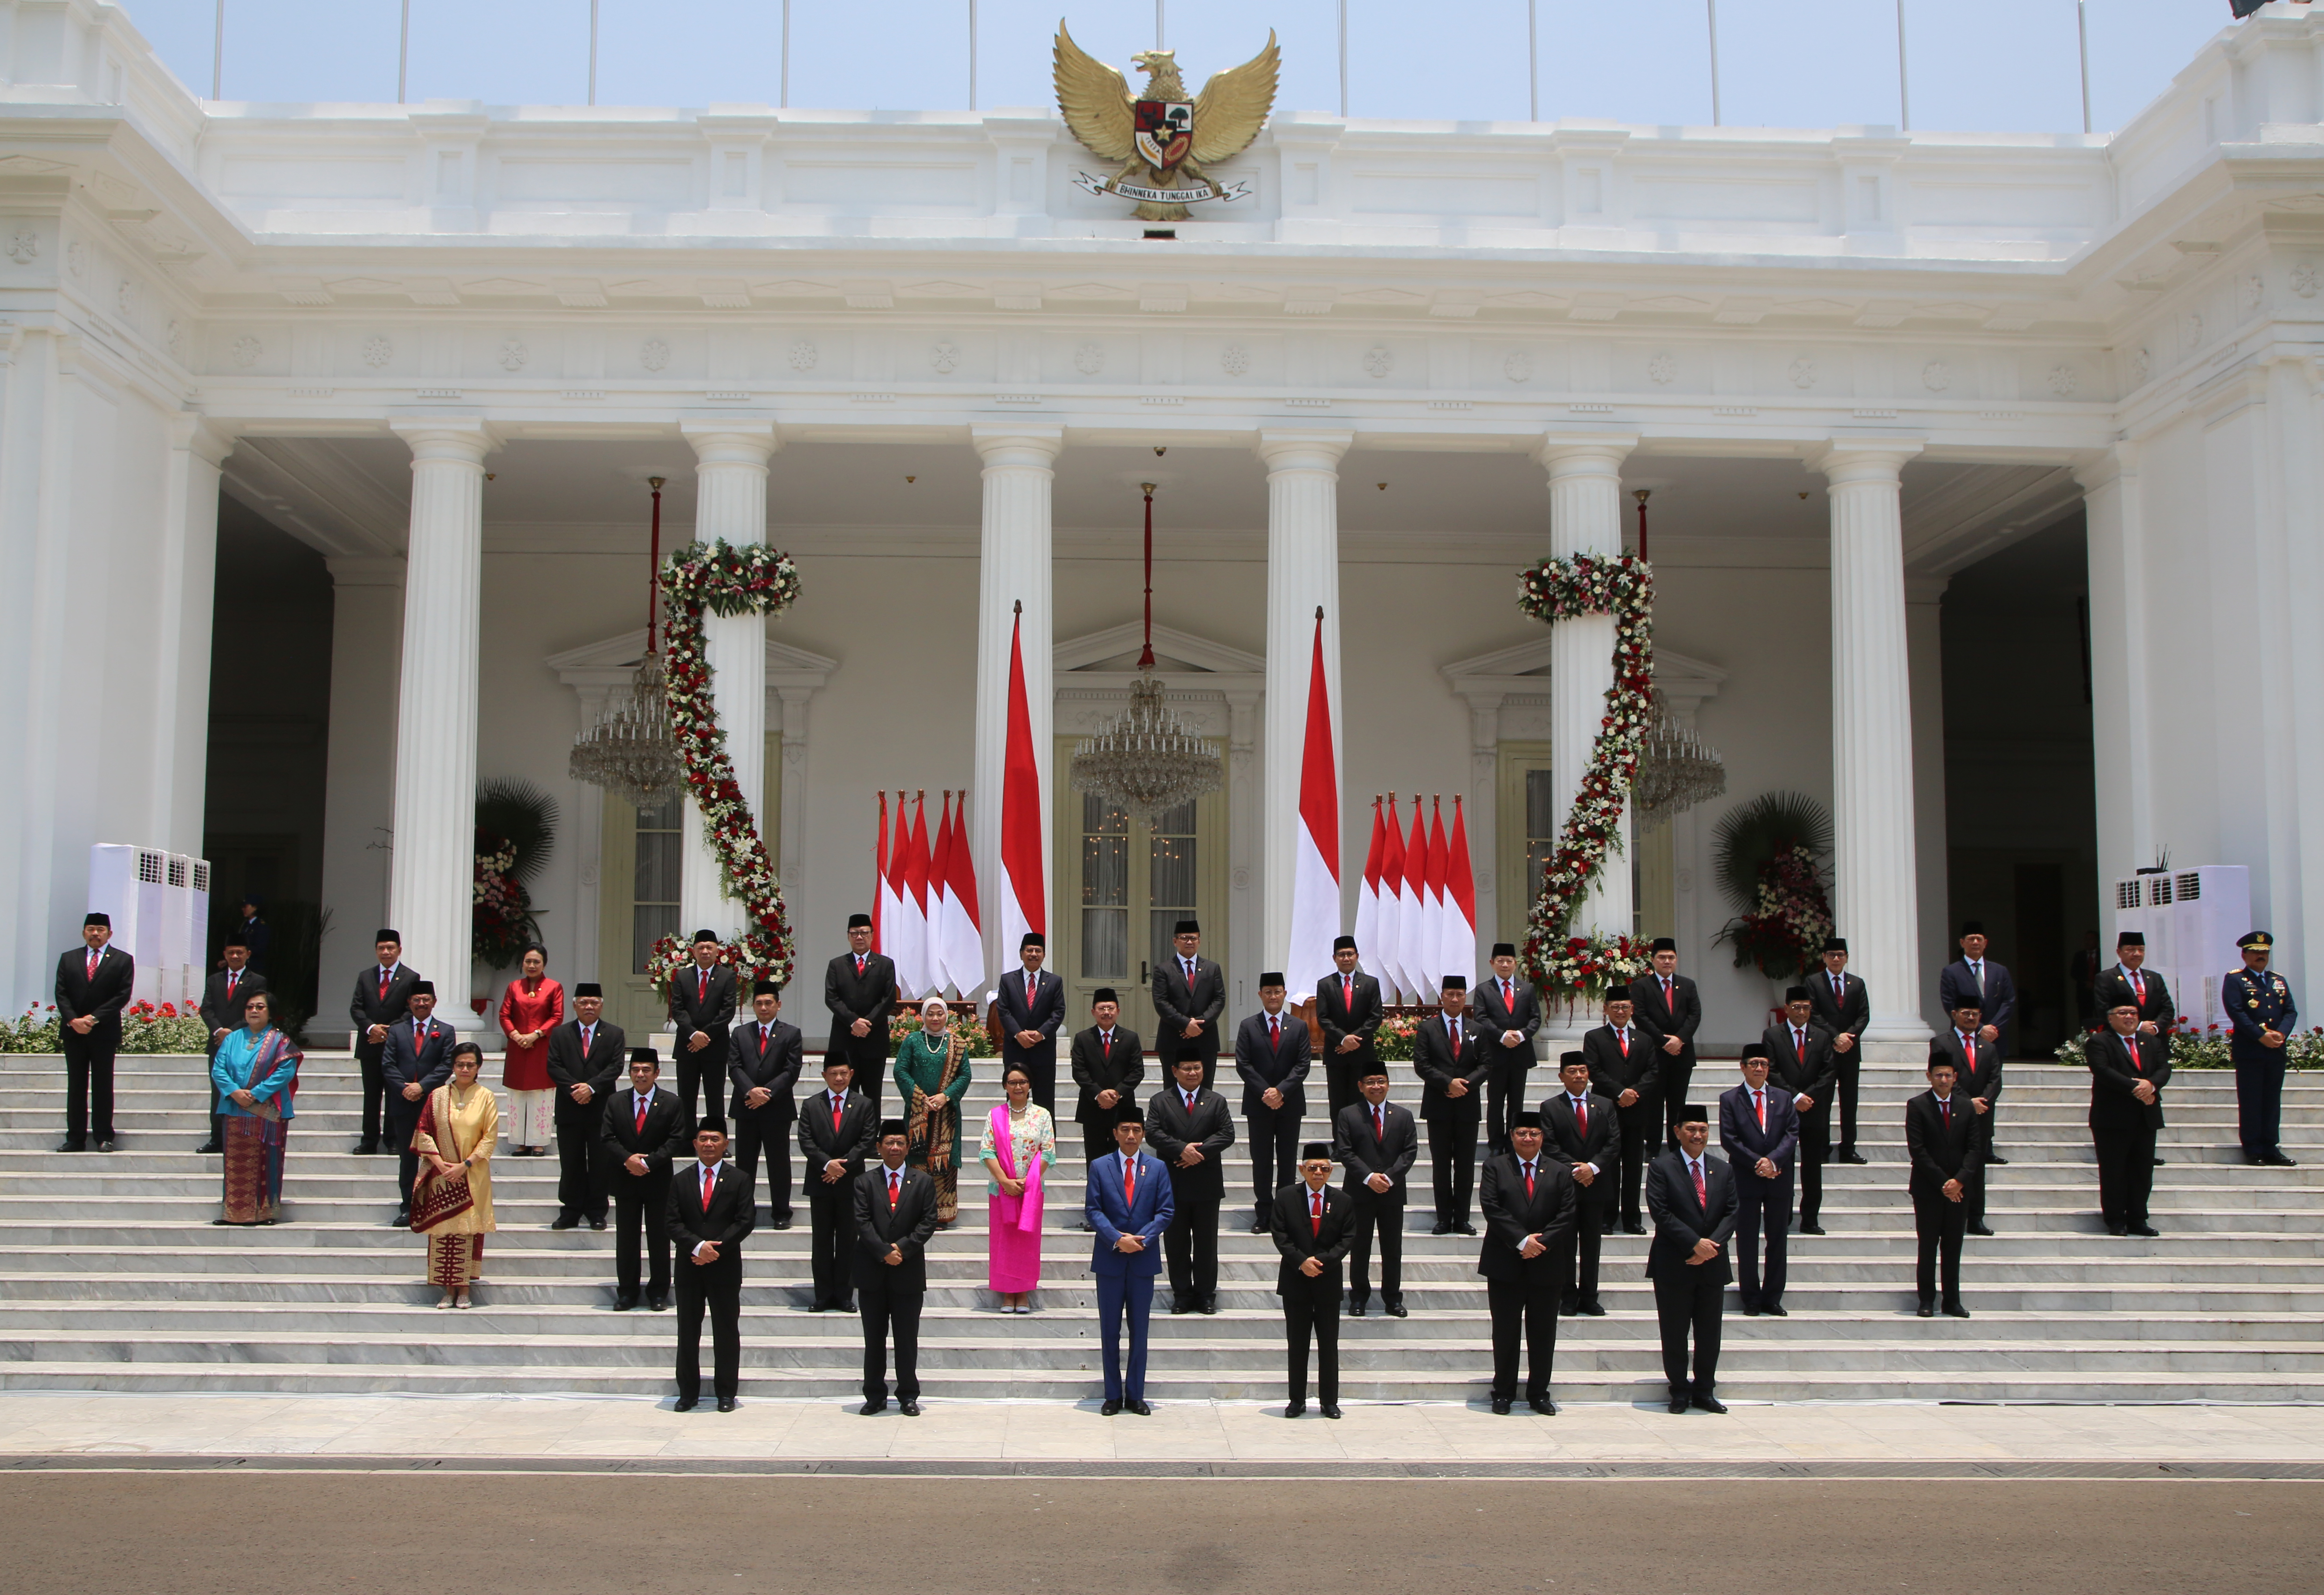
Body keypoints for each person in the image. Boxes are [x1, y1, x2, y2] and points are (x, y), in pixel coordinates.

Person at [1478, 1110, 1577, 1415]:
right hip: (1505, 1261)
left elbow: (1567, 1213)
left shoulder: (1559, 1170)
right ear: (1512, 1136)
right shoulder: (1496, 1166)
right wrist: (1522, 1241)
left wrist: (1540, 1243)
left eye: (1534, 1133)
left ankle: (1539, 1393)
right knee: (1505, 1332)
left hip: (1546, 1265)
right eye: (1522, 1133)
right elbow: (1491, 1206)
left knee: (1543, 1333)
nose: (1528, 1138)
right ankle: (1503, 1391)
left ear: (1542, 1137)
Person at [1645, 1103, 1737, 1414]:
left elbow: (1732, 1211)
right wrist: (1693, 1244)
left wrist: (1711, 1246)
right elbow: (1661, 1212)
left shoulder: (1722, 1168)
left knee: (1709, 1332)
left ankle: (1705, 1390)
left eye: (1702, 1129)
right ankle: (1679, 1391)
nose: (1697, 1135)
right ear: (1677, 1131)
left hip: (1713, 1261)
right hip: (1674, 1262)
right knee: (1674, 1330)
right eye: (1691, 1129)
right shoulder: (1661, 1166)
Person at [1086, 1105, 1173, 1415]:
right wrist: (1117, 1238)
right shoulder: (1100, 1166)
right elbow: (1093, 1210)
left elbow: (1165, 1211)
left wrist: (1141, 1240)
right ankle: (1112, 1395)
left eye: (1136, 1129)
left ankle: (1135, 1394)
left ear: (1144, 1134)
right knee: (1110, 1330)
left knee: (1140, 1329)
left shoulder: (1157, 1168)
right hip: (1110, 1260)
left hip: (1142, 1259)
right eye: (1125, 1129)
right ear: (1115, 1133)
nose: (1131, 1135)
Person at [854, 1119, 940, 1416]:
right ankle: (875, 1395)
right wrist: (883, 1252)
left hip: (908, 1271)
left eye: (900, 1143)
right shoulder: (864, 1182)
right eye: (889, 1143)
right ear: (878, 1147)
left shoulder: (923, 1181)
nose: (894, 1148)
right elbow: (861, 1222)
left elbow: (928, 1221)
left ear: (907, 1147)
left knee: (906, 1337)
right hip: (872, 1272)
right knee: (874, 1338)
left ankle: (908, 1395)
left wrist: (902, 1249)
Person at [667, 1116, 753, 1412]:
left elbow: (745, 1221)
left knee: (726, 1331)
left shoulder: (740, 1179)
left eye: (714, 1139)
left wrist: (716, 1248)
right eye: (703, 1139)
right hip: (689, 1264)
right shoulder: (681, 1180)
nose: (708, 1144)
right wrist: (698, 1246)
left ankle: (726, 1393)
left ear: (725, 1144)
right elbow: (671, 1222)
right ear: (694, 1144)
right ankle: (688, 1393)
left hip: (725, 1265)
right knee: (688, 1330)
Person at [409, 1041, 500, 1309]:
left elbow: (489, 1138)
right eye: (460, 1064)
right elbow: (423, 1132)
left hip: (473, 1174)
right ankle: (447, 1291)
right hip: (441, 1176)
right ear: (453, 1066)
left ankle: (464, 1291)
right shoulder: (437, 1096)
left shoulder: (486, 1097)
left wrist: (465, 1166)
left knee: (467, 1233)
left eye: (470, 1064)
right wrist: (440, 1165)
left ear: (479, 1067)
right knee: (443, 1232)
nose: (465, 1069)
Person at [1146, 1054, 1235, 1315]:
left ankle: (1206, 1295)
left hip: (1206, 1183)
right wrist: (1181, 1150)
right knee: (1177, 1243)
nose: (1193, 1072)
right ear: (1175, 1071)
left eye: (1197, 1067)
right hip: (1172, 1182)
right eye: (1187, 1068)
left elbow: (1227, 1133)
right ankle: (1182, 1295)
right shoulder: (1161, 1101)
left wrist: (1199, 1153)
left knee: (1207, 1244)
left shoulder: (1216, 1100)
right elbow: (1153, 1132)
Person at [600, 1048, 687, 1312]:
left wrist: (648, 1162)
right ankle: (627, 1292)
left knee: (659, 1239)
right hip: (625, 1179)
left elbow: (676, 1140)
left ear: (657, 1073)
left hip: (657, 1181)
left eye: (646, 1070)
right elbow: (607, 1137)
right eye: (636, 1070)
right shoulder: (616, 1102)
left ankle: (659, 1291)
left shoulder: (672, 1102)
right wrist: (628, 1160)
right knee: (626, 1239)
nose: (640, 1075)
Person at [1272, 1142, 1353, 1419]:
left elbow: (1347, 1239)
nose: (1318, 1173)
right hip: (1296, 1280)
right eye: (1313, 1168)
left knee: (1329, 1344)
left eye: (1324, 1168)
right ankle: (1297, 1400)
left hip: (1328, 1281)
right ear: (1302, 1169)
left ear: (1331, 1171)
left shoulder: (1343, 1201)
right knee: (1298, 1343)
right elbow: (1280, 1235)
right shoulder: (1285, 1197)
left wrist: (1323, 1263)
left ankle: (1329, 1401)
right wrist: (1301, 1262)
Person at [1719, 1045, 1799, 1317]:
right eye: (1753, 1063)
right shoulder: (1730, 1099)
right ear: (1742, 1067)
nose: (1759, 1069)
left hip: (1779, 1177)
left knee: (1778, 1238)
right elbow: (1730, 1139)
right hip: (1746, 1177)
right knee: (1747, 1240)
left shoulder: (1784, 1098)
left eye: (1764, 1064)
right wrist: (1758, 1163)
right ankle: (1751, 1297)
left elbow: (1791, 1134)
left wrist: (1773, 1162)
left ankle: (1773, 1297)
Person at [210, 990, 300, 1226]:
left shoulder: (281, 1041)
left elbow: (285, 1072)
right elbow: (219, 1069)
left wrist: (256, 1094)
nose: (254, 1011)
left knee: (266, 1161)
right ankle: (234, 1213)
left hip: (267, 1110)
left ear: (270, 1013)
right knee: (235, 1162)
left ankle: (266, 1213)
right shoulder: (232, 1039)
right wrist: (236, 1093)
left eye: (260, 1007)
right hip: (235, 1108)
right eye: (250, 1007)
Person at [1334, 1064, 1417, 1318]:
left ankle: (1393, 1298)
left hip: (1392, 1193)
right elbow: (1345, 1151)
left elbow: (1409, 1152)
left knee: (1392, 1248)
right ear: (1361, 1086)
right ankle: (1358, 1297)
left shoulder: (1403, 1116)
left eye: (1381, 1081)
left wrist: (1389, 1178)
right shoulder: (1348, 1114)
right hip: (1360, 1192)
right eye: (1370, 1082)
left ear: (1388, 1084)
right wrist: (1369, 1177)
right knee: (1360, 1247)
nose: (1376, 1086)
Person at [798, 1056, 879, 1312]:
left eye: (843, 1073)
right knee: (821, 1241)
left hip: (851, 1182)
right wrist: (827, 1165)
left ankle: (845, 1295)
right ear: (824, 1075)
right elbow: (806, 1140)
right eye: (833, 1073)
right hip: (820, 1181)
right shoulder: (811, 1105)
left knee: (848, 1240)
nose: (839, 1078)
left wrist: (842, 1167)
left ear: (851, 1073)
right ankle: (822, 1295)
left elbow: (867, 1141)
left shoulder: (864, 1104)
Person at [1538, 1052, 1616, 1316]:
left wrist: (1592, 1167)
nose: (1579, 1076)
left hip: (1596, 1184)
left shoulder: (1605, 1105)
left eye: (1583, 1070)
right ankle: (1568, 1296)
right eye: (1572, 1071)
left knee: (1592, 1245)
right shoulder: (1551, 1107)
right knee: (1566, 1244)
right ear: (1562, 1076)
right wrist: (1577, 1169)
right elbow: (1549, 1145)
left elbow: (1613, 1142)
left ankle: (1590, 1297)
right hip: (1566, 1186)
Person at [1232, 972, 1310, 1234]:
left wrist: (1281, 1092)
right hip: (1259, 1103)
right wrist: (1267, 1092)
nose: (1273, 996)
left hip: (1290, 1104)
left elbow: (1303, 1066)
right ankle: (1263, 1213)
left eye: (1278, 991)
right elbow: (1243, 1064)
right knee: (1262, 1160)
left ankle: (1285, 1215)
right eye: (1268, 992)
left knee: (1288, 1160)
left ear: (1285, 994)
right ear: (1260, 995)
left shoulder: (1299, 1026)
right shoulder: (1248, 1026)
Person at [2086, 1000, 2171, 1237]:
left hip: (2146, 1115)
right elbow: (2103, 1071)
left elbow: (2164, 1068)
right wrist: (2138, 1089)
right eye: (2122, 1013)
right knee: (2115, 1170)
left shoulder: (2151, 1042)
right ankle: (2115, 1219)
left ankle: (2138, 1218)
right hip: (2112, 1117)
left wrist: (2151, 1085)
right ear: (2110, 1018)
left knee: (2142, 1171)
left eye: (2133, 1013)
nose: (2129, 1017)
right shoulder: (2100, 1042)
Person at [545, 982, 624, 1231]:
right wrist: (576, 1090)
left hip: (600, 1108)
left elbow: (615, 1067)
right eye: (584, 1003)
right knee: (571, 1162)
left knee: (601, 1162)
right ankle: (570, 1210)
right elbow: (554, 1066)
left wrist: (590, 1088)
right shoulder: (560, 1033)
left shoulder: (614, 1034)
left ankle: (597, 1211)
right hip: (570, 1108)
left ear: (601, 1006)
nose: (589, 1007)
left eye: (594, 1003)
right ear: (575, 1005)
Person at [1906, 1059, 1981, 1318]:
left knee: (1953, 1245)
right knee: (1928, 1245)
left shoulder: (1966, 1106)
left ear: (1955, 1077)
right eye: (1939, 1075)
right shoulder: (1917, 1106)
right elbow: (1918, 1149)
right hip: (1929, 1189)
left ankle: (1952, 1301)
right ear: (1929, 1076)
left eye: (1948, 1075)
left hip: (1959, 1190)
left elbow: (1974, 1148)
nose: (1944, 1080)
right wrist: (1943, 1182)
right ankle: (1927, 1300)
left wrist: (1959, 1180)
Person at [727, 979, 803, 1229]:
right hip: (747, 1107)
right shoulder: (740, 1033)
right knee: (744, 1165)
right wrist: (751, 1091)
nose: (763, 1007)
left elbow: (792, 1070)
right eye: (758, 1003)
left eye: (768, 1003)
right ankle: (743, 1213)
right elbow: (735, 1067)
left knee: (778, 1163)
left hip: (777, 1109)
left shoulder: (791, 1033)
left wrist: (766, 1094)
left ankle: (781, 1212)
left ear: (778, 1005)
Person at [1415, 975, 1488, 1236]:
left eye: (1460, 994)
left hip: (1467, 1107)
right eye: (1450, 994)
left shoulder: (1477, 1029)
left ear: (1465, 997)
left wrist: (1465, 1084)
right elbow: (1421, 1065)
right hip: (1439, 1106)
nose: (1455, 999)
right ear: (1442, 997)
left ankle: (1463, 1218)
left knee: (1466, 1165)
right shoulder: (1428, 1029)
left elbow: (1487, 1064)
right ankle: (1444, 1218)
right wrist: (1448, 1083)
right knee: (1442, 1165)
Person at [980, 1064, 1056, 1313]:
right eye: (1013, 1082)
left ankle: (1022, 1293)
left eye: (1022, 1081)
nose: (1018, 1087)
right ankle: (1006, 1294)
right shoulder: (995, 1116)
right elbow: (987, 1151)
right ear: (1005, 1086)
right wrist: (1005, 1182)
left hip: (1031, 1189)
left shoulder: (1042, 1115)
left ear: (1030, 1085)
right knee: (1004, 1240)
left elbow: (1048, 1151)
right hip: (1001, 1189)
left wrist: (1027, 1182)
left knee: (1026, 1241)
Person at [55, 912, 132, 1153]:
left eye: (100, 929)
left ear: (109, 933)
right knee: (76, 1085)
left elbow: (122, 995)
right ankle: (75, 1138)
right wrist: (73, 1020)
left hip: (104, 1031)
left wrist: (93, 1018)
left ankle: (104, 1136)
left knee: (102, 1084)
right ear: (84, 933)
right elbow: (61, 993)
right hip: (74, 1031)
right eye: (90, 929)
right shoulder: (69, 959)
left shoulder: (122, 960)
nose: (95, 933)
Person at [1763, 987, 1838, 1236]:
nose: (1802, 1012)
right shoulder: (1773, 1036)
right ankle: (1782, 1214)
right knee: (1783, 1162)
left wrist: (1809, 1097)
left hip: (1814, 1111)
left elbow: (1829, 1072)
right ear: (1786, 1009)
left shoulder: (1822, 1036)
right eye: (1796, 1007)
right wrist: (1795, 1096)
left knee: (1812, 1166)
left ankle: (1810, 1219)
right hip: (1784, 1109)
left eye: (1806, 1007)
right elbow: (1771, 1071)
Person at [1583, 993, 1659, 1234]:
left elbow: (1652, 1072)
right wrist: (1619, 1093)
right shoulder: (1594, 1038)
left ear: (1632, 1009)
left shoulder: (1644, 1040)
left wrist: (1633, 1093)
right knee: (1608, 1164)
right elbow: (1593, 1070)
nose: (1620, 1011)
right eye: (1615, 1007)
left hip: (1636, 1110)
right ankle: (1608, 1217)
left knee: (1634, 1166)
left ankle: (1631, 1218)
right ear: (1606, 1009)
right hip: (1607, 1109)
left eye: (1625, 1007)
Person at [380, 980, 454, 1226]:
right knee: (408, 1156)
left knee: (435, 1155)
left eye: (426, 999)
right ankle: (408, 1205)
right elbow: (388, 1065)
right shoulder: (397, 1031)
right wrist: (405, 1089)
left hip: (431, 1101)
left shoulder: (445, 1031)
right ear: (409, 1003)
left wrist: (422, 1087)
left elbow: (445, 1065)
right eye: (416, 1000)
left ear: (434, 1001)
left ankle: (435, 1204)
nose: (421, 1004)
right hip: (403, 1103)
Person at [894, 995, 972, 1224]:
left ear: (946, 1016)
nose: (935, 1018)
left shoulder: (957, 1043)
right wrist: (919, 1097)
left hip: (946, 1115)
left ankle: (942, 1214)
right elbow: (900, 1071)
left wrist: (945, 1096)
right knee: (917, 1159)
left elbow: (965, 1075)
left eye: (940, 1014)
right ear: (924, 1016)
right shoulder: (912, 1040)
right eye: (931, 1013)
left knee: (944, 1163)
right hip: (918, 1113)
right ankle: (917, 1213)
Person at [2225, 931, 2298, 1166]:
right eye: (2256, 953)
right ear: (2244, 955)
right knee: (2251, 1099)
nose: (2261, 957)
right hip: (2251, 1050)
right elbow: (2236, 1012)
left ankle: (2270, 1146)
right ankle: (2253, 1147)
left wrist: (2281, 1034)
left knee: (2271, 1100)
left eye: (2264, 953)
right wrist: (2261, 1036)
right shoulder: (2235, 979)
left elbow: (2290, 1011)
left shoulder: (2278, 980)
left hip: (2275, 1050)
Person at [1930, 1000, 2001, 1235]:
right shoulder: (1941, 1043)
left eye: (1975, 1014)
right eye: (1966, 1014)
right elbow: (1944, 1078)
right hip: (1951, 1114)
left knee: (1976, 1169)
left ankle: (1976, 1218)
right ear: (1954, 1015)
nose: (1971, 1018)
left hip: (1981, 1116)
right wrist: (1967, 1103)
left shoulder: (1988, 1047)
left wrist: (1983, 1101)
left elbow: (1995, 1080)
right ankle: (1949, 1216)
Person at [349, 930, 422, 1156]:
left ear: (399, 950)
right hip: (369, 1044)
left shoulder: (411, 978)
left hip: (396, 1046)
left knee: (394, 1094)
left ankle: (393, 1140)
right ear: (376, 951)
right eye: (381, 948)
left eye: (391, 948)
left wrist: (387, 1031)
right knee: (371, 1096)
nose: (386, 952)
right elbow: (356, 1008)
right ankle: (369, 1140)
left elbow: (411, 1010)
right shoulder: (365, 976)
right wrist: (372, 1028)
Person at [195, 934, 268, 1153]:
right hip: (219, 1044)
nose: (235, 956)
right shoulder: (214, 980)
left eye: (239, 952)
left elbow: (256, 1009)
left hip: (245, 1043)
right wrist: (219, 1031)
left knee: (245, 1090)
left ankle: (243, 1139)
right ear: (225, 955)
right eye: (231, 953)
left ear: (248, 954)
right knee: (219, 1091)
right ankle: (217, 1138)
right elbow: (206, 1009)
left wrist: (232, 1032)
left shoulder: (257, 981)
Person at [1629, 938, 1700, 1146]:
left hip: (1683, 1053)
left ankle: (1676, 1146)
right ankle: (1652, 1146)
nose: (1667, 961)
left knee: (1678, 1103)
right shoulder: (1641, 986)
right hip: (1654, 1053)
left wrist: (1680, 1040)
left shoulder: (1688, 985)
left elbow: (1695, 1015)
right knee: (1654, 1102)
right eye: (1662, 957)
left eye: (1671, 957)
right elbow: (1640, 1017)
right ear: (1653, 960)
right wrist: (1663, 1042)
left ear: (1676, 960)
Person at [825, 914, 898, 1116]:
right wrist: (853, 1022)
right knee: (845, 1093)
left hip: (874, 1039)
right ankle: (847, 1138)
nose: (859, 937)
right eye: (855, 933)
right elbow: (831, 998)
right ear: (848, 936)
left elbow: (889, 999)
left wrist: (867, 1024)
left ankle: (871, 1140)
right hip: (844, 1039)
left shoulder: (885, 964)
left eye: (864, 933)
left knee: (873, 1093)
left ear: (872, 936)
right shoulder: (837, 965)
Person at [1069, 988, 1144, 1180]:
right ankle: (1096, 1202)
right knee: (1095, 1159)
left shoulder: (1131, 1038)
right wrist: (1098, 1094)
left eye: (1111, 1008)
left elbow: (1137, 1072)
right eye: (1102, 1008)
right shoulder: (1083, 1038)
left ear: (1118, 1011)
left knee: (1122, 1158)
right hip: (1092, 1108)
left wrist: (1117, 1094)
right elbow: (1079, 1072)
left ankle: (1121, 1200)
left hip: (1123, 1109)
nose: (1106, 1013)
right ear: (1093, 1012)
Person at [1807, 937, 1871, 1164]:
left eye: (1840, 955)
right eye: (1832, 955)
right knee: (1823, 1100)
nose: (1836, 959)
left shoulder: (1857, 983)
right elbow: (1813, 1014)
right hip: (1825, 1050)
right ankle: (1822, 1148)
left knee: (1849, 1101)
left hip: (1850, 1051)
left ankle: (1848, 1148)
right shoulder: (1814, 982)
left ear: (1847, 958)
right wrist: (1835, 1036)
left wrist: (1849, 1037)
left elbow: (1864, 1015)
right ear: (1824, 957)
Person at [496, 944, 563, 1156]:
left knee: (541, 1095)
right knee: (517, 1094)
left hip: (541, 1046)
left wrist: (536, 1034)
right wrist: (515, 1035)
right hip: (517, 1048)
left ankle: (538, 1142)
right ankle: (520, 1142)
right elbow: (504, 1015)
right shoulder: (514, 987)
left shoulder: (554, 987)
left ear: (544, 964)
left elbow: (557, 1016)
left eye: (536, 962)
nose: (532, 965)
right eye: (528, 961)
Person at [1475, 943, 1542, 1154]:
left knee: (1517, 1102)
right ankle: (1495, 1144)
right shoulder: (1484, 990)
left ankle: (1513, 1142)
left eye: (1509, 961)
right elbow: (1481, 1018)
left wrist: (1521, 1036)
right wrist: (1502, 1036)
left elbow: (1535, 1018)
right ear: (1492, 963)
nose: (1505, 965)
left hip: (1520, 1054)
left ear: (1516, 964)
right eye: (1500, 961)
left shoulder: (1527, 989)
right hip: (1495, 1054)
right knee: (1495, 1102)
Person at [668, 930, 737, 1129]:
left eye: (709, 948)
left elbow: (727, 1011)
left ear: (717, 951)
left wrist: (705, 1036)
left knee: (715, 1097)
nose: (705, 952)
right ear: (693, 951)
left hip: (715, 1046)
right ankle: (686, 1139)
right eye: (701, 948)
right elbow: (678, 1009)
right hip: (687, 1046)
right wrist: (693, 1034)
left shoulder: (727, 976)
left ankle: (717, 1140)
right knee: (686, 1096)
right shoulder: (682, 976)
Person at [994, 931, 1065, 1115]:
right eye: (1030, 950)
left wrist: (1040, 1034)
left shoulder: (1055, 981)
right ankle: (1011, 1138)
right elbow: (1003, 1010)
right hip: (1015, 1048)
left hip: (1043, 1050)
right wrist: (1018, 1034)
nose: (1034, 954)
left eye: (1038, 951)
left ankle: (1047, 1142)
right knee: (1015, 1098)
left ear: (1044, 955)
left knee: (1045, 1100)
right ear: (1021, 954)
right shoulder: (1008, 980)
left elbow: (1058, 1012)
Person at [1152, 918, 1225, 1090]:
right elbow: (1161, 1002)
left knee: (1205, 1089)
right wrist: (1185, 1024)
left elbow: (1219, 999)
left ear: (1199, 941)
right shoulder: (1163, 969)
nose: (1189, 942)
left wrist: (1200, 1024)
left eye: (1193, 938)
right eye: (1184, 938)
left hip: (1205, 1037)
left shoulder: (1212, 968)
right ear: (1175, 941)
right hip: (1173, 1038)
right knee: (1172, 1089)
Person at [1315, 935, 1383, 1120]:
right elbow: (1323, 1018)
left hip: (1363, 1054)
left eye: (1350, 954)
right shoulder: (1325, 984)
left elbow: (1375, 1017)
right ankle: (1340, 1146)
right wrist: (1343, 1040)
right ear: (1334, 958)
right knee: (1338, 1104)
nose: (1346, 958)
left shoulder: (1371, 983)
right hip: (1336, 1055)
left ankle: (1360, 1146)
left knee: (1361, 1103)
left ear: (1357, 956)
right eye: (1341, 955)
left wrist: (1354, 1039)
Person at [1938, 921, 2016, 1068]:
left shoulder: (2000, 971)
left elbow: (2008, 1002)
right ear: (1962, 943)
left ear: (1985, 943)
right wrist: (1980, 1028)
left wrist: (1993, 1029)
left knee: (1993, 1081)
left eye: (1979, 939)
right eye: (1971, 939)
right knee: (1964, 1078)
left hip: (1994, 1038)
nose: (1975, 943)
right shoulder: (1952, 972)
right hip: (1965, 1036)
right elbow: (1950, 1004)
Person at [2094, 931, 2173, 1037]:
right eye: (2131, 950)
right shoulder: (2106, 978)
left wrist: (2155, 1028)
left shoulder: (2154, 978)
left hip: (2154, 1041)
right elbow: (2104, 1010)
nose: (2137, 954)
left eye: (2141, 950)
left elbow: (2168, 1008)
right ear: (2119, 952)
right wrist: (2139, 1026)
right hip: (2121, 1040)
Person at [2070, 929, 2105, 1034]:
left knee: (2100, 1017)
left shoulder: (2102, 954)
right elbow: (2074, 973)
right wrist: (2086, 982)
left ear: (2097, 941)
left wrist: (2095, 983)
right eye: (2086, 939)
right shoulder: (2079, 956)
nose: (2088, 942)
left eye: (2091, 939)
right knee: (2084, 1019)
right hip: (2084, 993)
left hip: (2099, 992)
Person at [230, 895, 273, 976]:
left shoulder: (261, 926)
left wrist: (243, 952)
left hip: (254, 967)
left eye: (246, 906)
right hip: (242, 966)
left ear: (255, 908)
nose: (243, 909)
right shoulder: (245, 925)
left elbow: (260, 949)